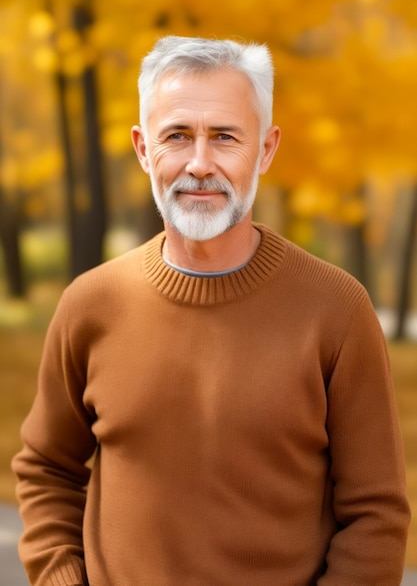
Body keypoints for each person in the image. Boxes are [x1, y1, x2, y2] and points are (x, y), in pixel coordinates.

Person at [12, 36, 410, 586]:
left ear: (266, 149)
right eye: (177, 136)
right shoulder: (90, 305)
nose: (200, 164)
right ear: (143, 149)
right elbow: (45, 469)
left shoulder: (337, 310)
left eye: (225, 137)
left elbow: (376, 517)